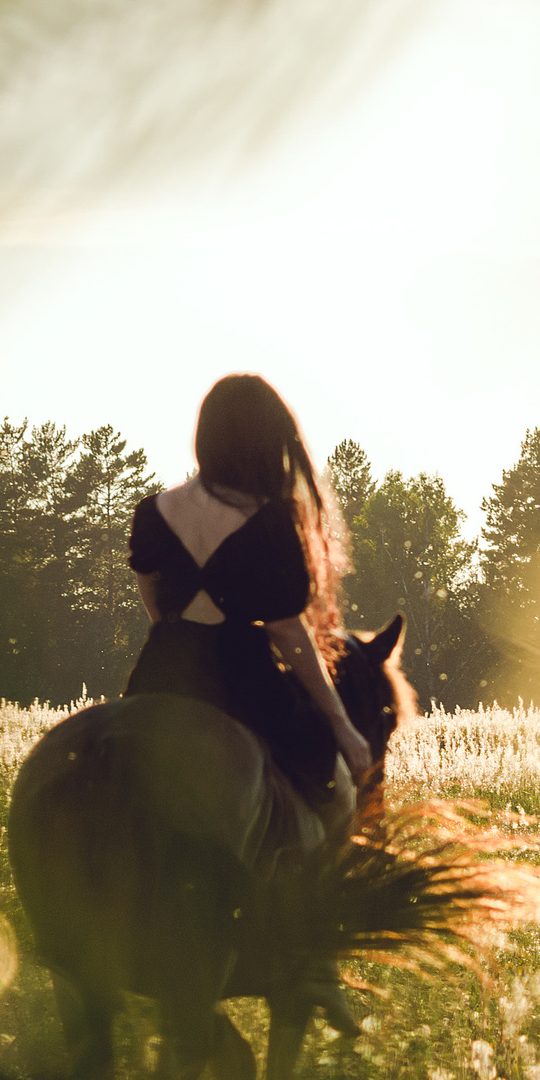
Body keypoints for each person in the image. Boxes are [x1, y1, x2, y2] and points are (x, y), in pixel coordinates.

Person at [123, 374, 374, 1023]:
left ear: (206, 437)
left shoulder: (155, 511)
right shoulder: (273, 522)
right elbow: (289, 634)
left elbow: (153, 603)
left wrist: (176, 635)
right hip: (240, 682)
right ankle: (314, 959)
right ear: (267, 441)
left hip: (160, 676)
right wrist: (342, 725)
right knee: (329, 788)